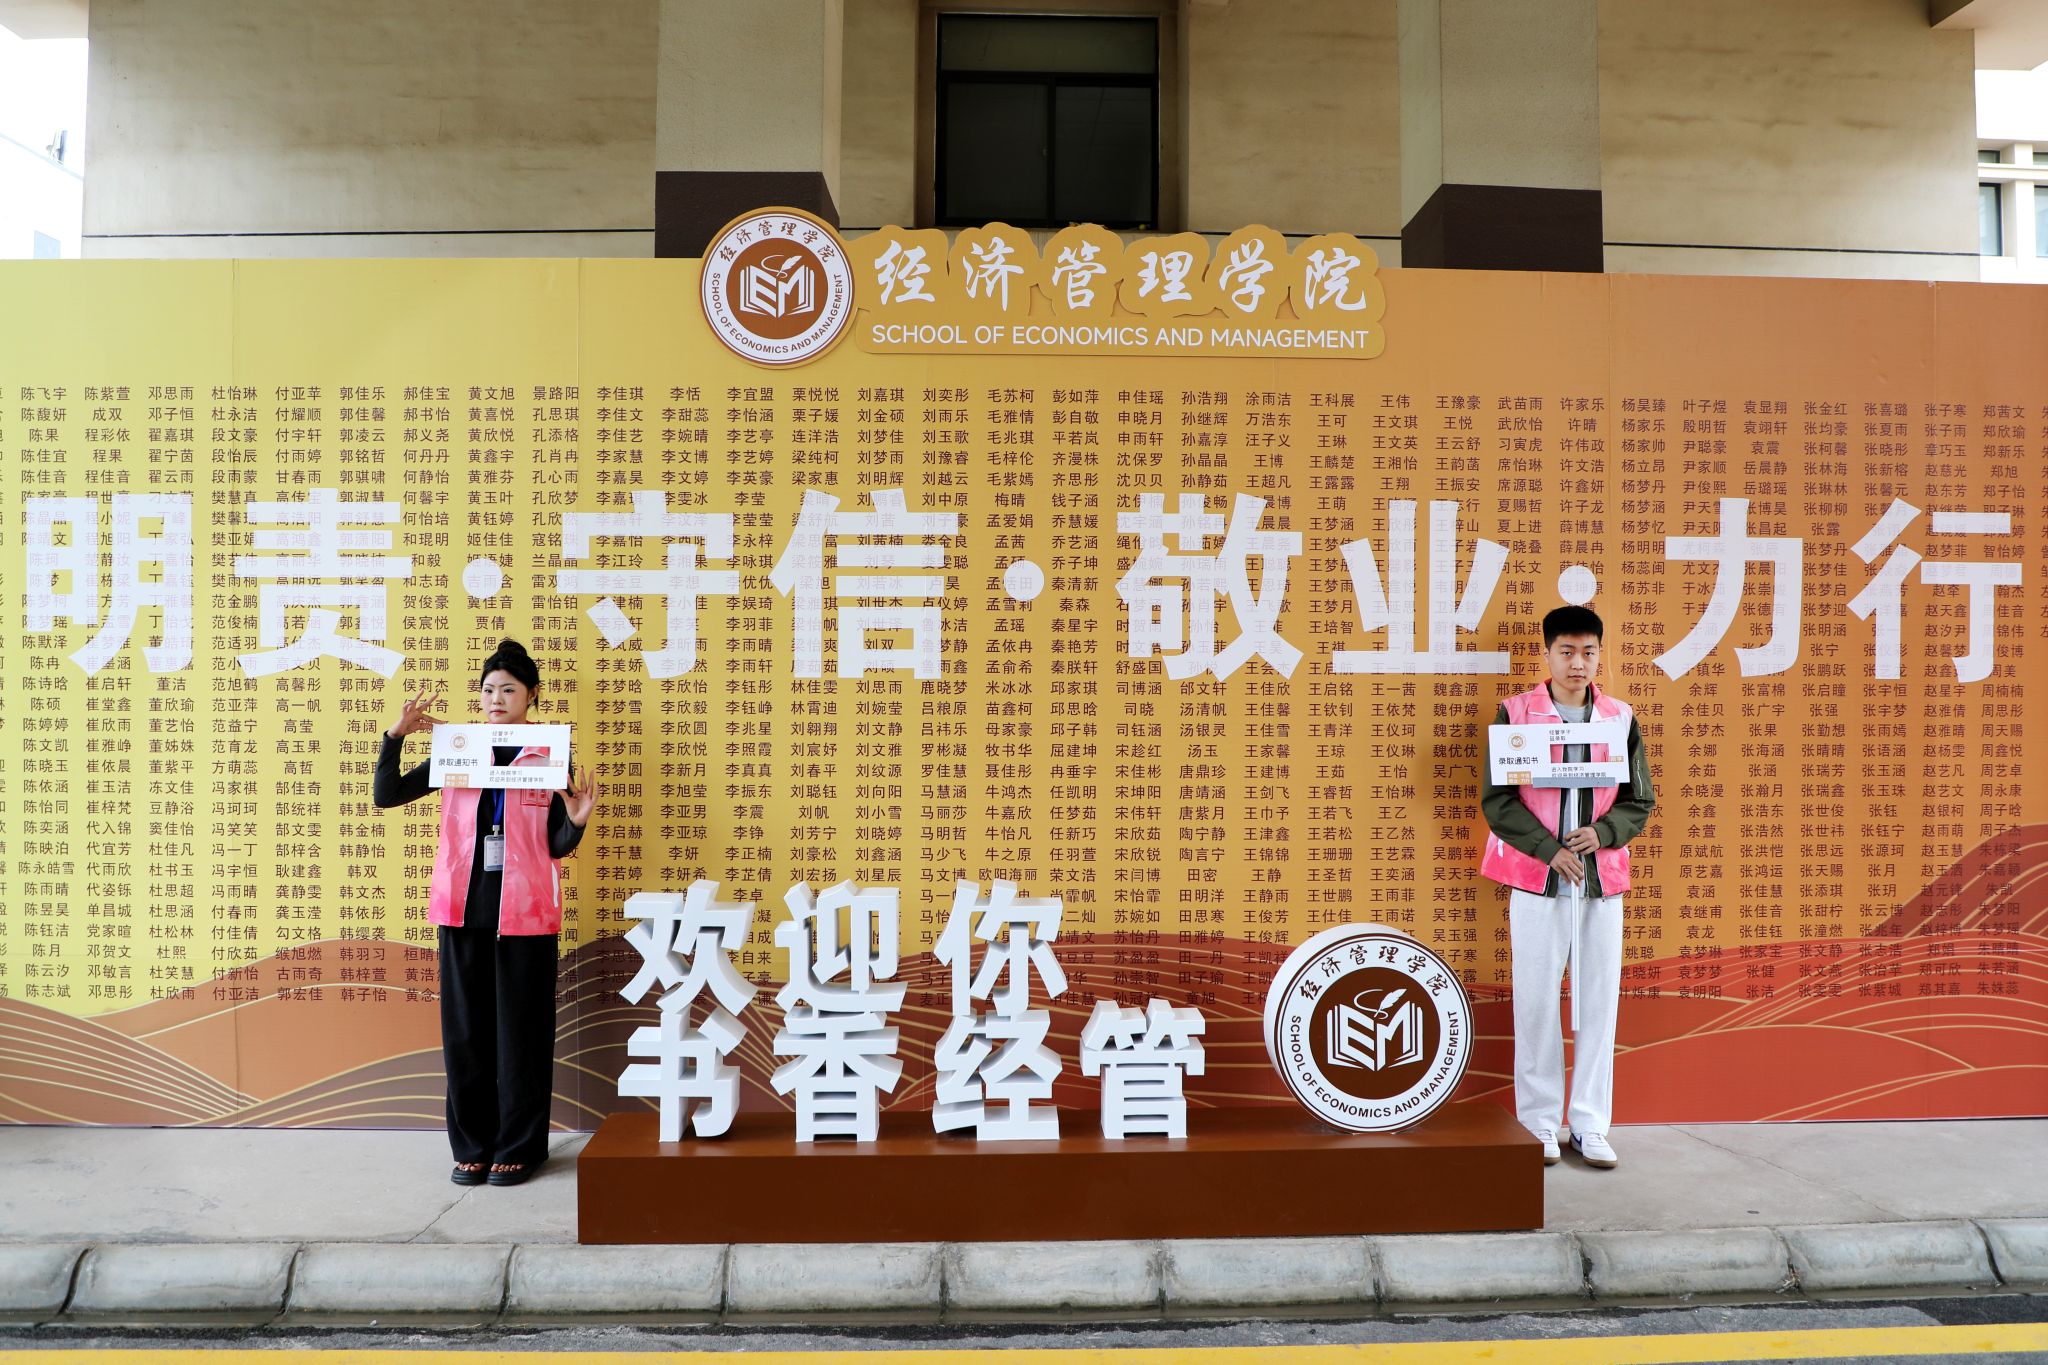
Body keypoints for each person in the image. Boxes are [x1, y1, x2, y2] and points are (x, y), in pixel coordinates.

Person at [373, 640, 598, 1187]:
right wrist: (396, 737)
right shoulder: (459, 748)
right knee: (466, 1034)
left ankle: (520, 1147)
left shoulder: (548, 752)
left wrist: (575, 821)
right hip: (462, 907)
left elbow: (555, 843)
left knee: (523, 1033)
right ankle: (472, 1147)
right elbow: (387, 794)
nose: (496, 699)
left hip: (526, 911)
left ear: (531, 695)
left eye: (509, 690)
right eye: (489, 689)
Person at [1478, 605, 1655, 1169]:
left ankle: (1590, 1124)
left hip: (1601, 883)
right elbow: (1498, 800)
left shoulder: (1619, 718)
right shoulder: (1516, 714)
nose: (1577, 663)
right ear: (1548, 654)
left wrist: (1602, 833)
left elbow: (1639, 800)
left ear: (1599, 655)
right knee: (1535, 1002)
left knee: (1599, 1003)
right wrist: (1548, 849)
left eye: (1588, 652)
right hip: (1538, 882)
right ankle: (1538, 1121)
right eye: (1566, 652)